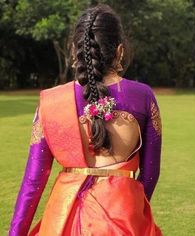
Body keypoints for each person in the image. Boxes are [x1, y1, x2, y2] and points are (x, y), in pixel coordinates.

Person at [9, 4, 162, 236]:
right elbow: (150, 174)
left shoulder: (51, 103)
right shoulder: (143, 97)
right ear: (120, 51)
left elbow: (33, 181)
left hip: (61, 221)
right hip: (123, 220)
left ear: (75, 50)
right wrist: (132, 207)